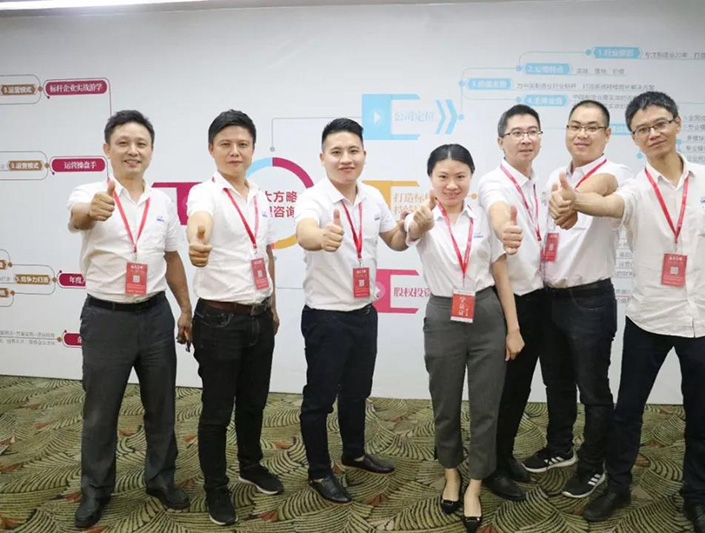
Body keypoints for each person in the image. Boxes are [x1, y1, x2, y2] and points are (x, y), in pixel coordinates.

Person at [550, 91, 705, 533]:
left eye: (659, 124)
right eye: (642, 129)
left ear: (677, 123)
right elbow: (608, 204)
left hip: (704, 319)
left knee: (702, 417)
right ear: (634, 138)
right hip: (650, 320)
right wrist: (575, 200)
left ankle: (697, 497)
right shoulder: (636, 188)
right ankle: (618, 486)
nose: (653, 133)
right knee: (628, 411)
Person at [68, 110, 192, 529]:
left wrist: (185, 308)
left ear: (151, 151)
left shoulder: (162, 202)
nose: (132, 150)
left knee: (162, 405)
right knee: (100, 413)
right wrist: (92, 211)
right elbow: (77, 217)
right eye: (123, 143)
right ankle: (95, 490)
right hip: (107, 319)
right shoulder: (89, 192)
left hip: (155, 315)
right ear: (107, 149)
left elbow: (172, 258)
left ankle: (160, 478)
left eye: (141, 143)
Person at [405, 144, 523, 532]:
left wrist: (513, 329)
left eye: (460, 176)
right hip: (443, 315)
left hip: (486, 312)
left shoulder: (484, 218)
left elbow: (501, 273)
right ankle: (451, 473)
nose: (452, 184)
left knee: (487, 406)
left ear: (471, 177)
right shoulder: (422, 217)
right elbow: (410, 233)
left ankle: (475, 483)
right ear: (431, 179)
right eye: (443, 176)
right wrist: (420, 223)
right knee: (445, 403)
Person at [294, 118, 408, 504]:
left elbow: (395, 240)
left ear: (364, 154)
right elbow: (305, 233)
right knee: (319, 399)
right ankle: (318, 471)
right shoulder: (313, 199)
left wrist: (413, 228)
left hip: (364, 313)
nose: (346, 159)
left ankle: (354, 453)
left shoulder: (373, 197)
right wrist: (321, 237)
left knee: (358, 392)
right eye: (337, 152)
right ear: (322, 157)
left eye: (353, 151)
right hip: (327, 317)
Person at [186, 109, 281, 526]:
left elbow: (267, 252)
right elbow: (199, 223)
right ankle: (216, 488)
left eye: (242, 144)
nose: (235, 151)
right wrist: (197, 241)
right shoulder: (204, 194)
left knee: (254, 402)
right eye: (225, 144)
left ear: (253, 149)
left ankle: (250, 464)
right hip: (219, 321)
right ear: (211, 149)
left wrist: (273, 304)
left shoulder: (259, 194)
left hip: (259, 317)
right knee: (216, 411)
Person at [533, 100, 631, 499]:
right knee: (556, 383)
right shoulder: (555, 175)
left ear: (607, 135)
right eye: (575, 126)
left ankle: (593, 465)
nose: (582, 134)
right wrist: (562, 196)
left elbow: (601, 186)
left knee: (593, 390)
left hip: (589, 301)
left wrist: (571, 199)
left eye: (592, 127)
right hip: (549, 298)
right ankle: (560, 448)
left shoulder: (617, 173)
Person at [477, 104, 546, 501]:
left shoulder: (538, 183)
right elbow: (498, 211)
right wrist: (506, 229)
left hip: (536, 298)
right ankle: (489, 468)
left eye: (532, 131)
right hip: (505, 303)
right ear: (500, 140)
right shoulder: (494, 182)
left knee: (519, 388)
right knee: (499, 392)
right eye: (517, 133)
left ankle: (503, 455)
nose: (525, 139)